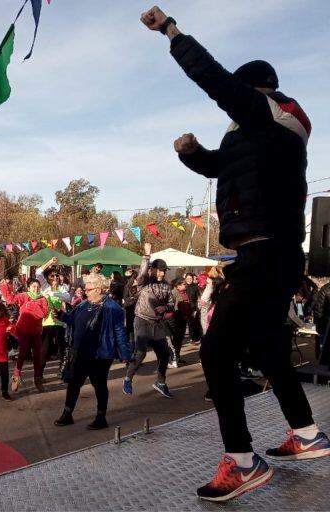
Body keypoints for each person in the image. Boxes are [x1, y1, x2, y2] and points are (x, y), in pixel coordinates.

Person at [141, 6, 329, 502]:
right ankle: (307, 434)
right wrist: (191, 153)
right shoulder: (264, 135)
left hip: (263, 252)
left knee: (216, 350)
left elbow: (214, 78)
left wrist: (172, 33)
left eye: (236, 102)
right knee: (268, 347)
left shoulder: (266, 110)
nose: (228, 111)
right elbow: (220, 168)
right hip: (274, 252)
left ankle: (243, 461)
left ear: (256, 91)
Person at [55, 273, 131, 429]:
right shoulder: (83, 304)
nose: (85, 291)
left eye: (88, 289)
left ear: (98, 289)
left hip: (100, 354)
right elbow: (73, 320)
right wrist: (62, 316)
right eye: (85, 288)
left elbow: (120, 331)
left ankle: (101, 418)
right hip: (80, 352)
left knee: (99, 385)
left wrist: (125, 354)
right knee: (73, 384)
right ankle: (67, 414)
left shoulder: (112, 307)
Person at [123, 242, 174, 399]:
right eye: (160, 270)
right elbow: (143, 272)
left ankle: (160, 382)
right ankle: (127, 378)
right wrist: (147, 255)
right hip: (142, 320)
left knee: (165, 354)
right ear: (153, 269)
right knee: (141, 353)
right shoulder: (145, 281)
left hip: (157, 323)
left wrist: (164, 309)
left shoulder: (166, 285)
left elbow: (171, 304)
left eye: (164, 271)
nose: (162, 274)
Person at [0, 278, 49, 393]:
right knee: (22, 354)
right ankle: (16, 377)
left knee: (37, 356)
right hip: (23, 331)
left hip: (36, 332)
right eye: (33, 287)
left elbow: (43, 314)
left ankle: (37, 379)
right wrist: (4, 286)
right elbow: (10, 299)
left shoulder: (43, 299)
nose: (36, 289)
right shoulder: (23, 296)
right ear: (29, 288)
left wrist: (30, 305)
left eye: (37, 287)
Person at [168, 277, 192, 367]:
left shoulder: (184, 292)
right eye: (183, 284)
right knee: (176, 340)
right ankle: (173, 358)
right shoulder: (173, 293)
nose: (185, 285)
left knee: (179, 340)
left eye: (185, 284)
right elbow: (171, 306)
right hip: (176, 319)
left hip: (184, 319)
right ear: (177, 286)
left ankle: (177, 357)